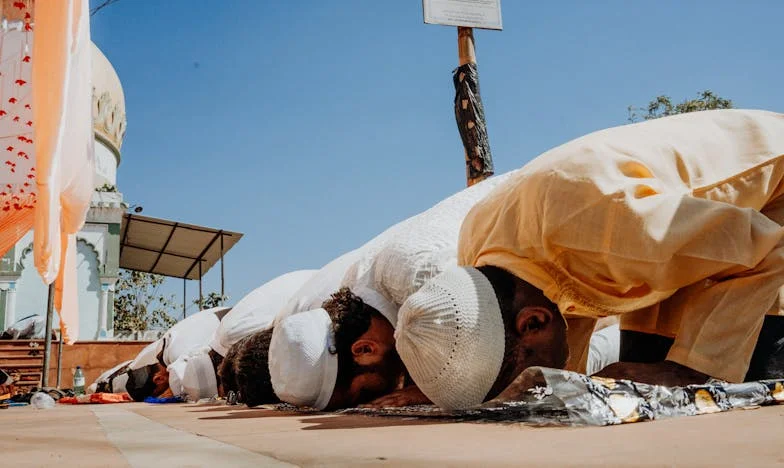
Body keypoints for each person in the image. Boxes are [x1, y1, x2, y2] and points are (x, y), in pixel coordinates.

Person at [394, 109, 784, 410]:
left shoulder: (623, 230)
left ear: (533, 322)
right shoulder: (480, 264)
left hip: (774, 195)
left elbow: (769, 246)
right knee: (640, 382)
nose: (523, 390)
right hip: (668, 223)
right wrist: (455, 384)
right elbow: (563, 291)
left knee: (720, 384)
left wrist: (693, 367)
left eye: (519, 380)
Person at [171, 269, 315, 402]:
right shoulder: (224, 336)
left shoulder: (231, 335)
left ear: (220, 374)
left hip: (311, 291)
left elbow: (285, 332)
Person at [124, 306, 230, 401]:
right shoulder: (164, 347)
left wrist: (172, 392)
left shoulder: (176, 356)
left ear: (159, 379)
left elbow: (193, 381)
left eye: (159, 392)